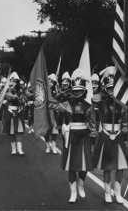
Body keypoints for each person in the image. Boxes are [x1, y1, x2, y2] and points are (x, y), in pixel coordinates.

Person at [49, 68, 97, 203]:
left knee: (84, 164)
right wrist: (61, 94)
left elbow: (93, 126)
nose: (77, 93)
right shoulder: (66, 104)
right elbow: (51, 104)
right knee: (71, 166)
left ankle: (81, 184)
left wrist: (93, 142)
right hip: (70, 137)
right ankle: (73, 192)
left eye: (79, 90)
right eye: (75, 90)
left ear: (84, 91)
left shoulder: (89, 106)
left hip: (84, 136)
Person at [92, 66, 128, 204]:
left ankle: (117, 193)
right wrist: (104, 95)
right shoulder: (101, 100)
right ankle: (107, 192)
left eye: (114, 88)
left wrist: (125, 131)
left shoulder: (122, 103)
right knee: (107, 166)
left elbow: (126, 118)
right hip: (106, 135)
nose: (112, 91)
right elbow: (93, 99)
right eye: (109, 88)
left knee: (120, 167)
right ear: (105, 88)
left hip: (118, 135)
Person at [2, 72, 25, 155]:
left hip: (18, 112)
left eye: (14, 82)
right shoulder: (7, 92)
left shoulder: (21, 92)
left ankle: (20, 149)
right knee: (11, 132)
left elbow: (23, 100)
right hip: (10, 112)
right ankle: (13, 149)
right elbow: (8, 96)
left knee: (19, 132)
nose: (12, 84)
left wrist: (20, 99)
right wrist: (14, 96)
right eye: (11, 82)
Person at [44, 73, 60, 154]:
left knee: (55, 130)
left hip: (54, 112)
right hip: (46, 112)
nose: (50, 82)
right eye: (49, 80)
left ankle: (53, 146)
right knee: (46, 130)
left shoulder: (56, 90)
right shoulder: (45, 90)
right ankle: (47, 146)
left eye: (52, 81)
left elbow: (59, 101)